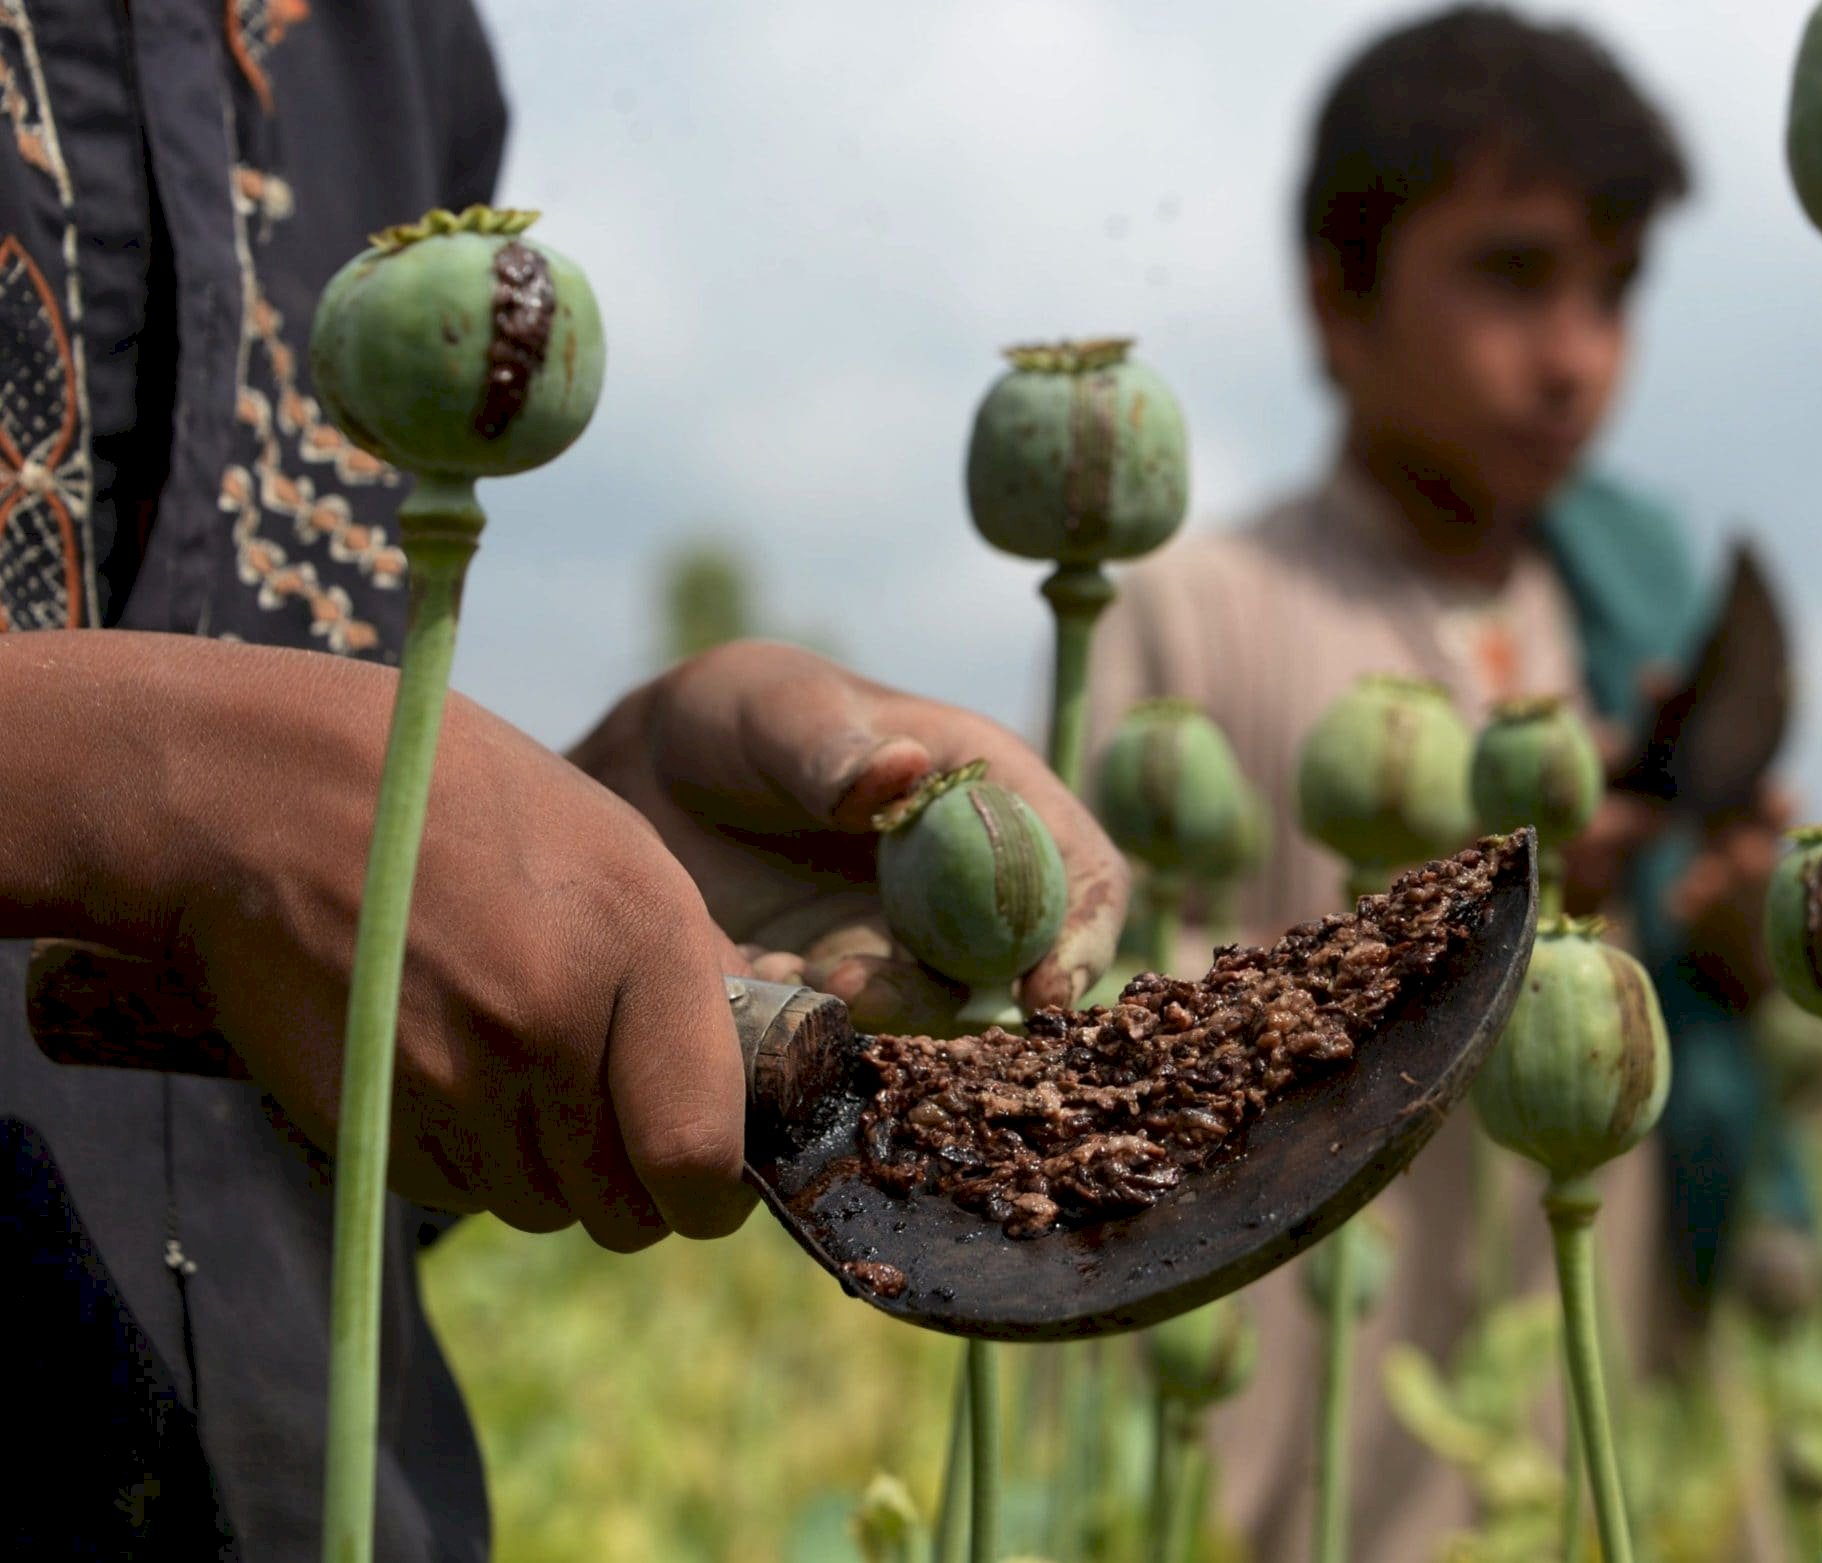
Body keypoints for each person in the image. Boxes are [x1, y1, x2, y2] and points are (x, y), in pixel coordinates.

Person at [0, 7, 1124, 1557]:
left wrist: (580, 849)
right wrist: (169, 778)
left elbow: (309, 1080)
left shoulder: (398, 45)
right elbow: (235, 799)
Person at [1088, 8, 1793, 1557]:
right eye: (1512, 274)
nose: (1573, 358)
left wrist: (1729, 939)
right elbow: (1098, 1043)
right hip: (1294, 1441)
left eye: (1614, 294)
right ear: (1337, 301)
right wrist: (1476, 900)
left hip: (1600, 1424)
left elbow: (1696, 1040)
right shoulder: (1184, 613)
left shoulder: (1627, 623)